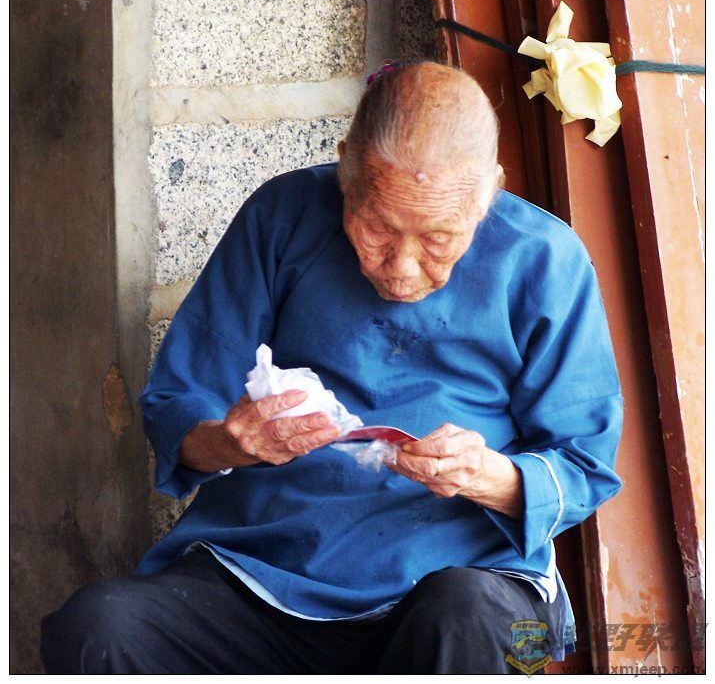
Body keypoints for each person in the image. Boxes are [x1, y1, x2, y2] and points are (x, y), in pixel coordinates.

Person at [40, 61, 623, 674]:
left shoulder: (544, 259)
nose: (402, 268)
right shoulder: (283, 216)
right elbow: (178, 402)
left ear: (489, 193)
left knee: (466, 618)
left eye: (438, 239)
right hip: (263, 571)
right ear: (346, 168)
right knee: (98, 628)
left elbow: (584, 466)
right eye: (377, 229)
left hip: (464, 579)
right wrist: (232, 442)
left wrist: (485, 475)